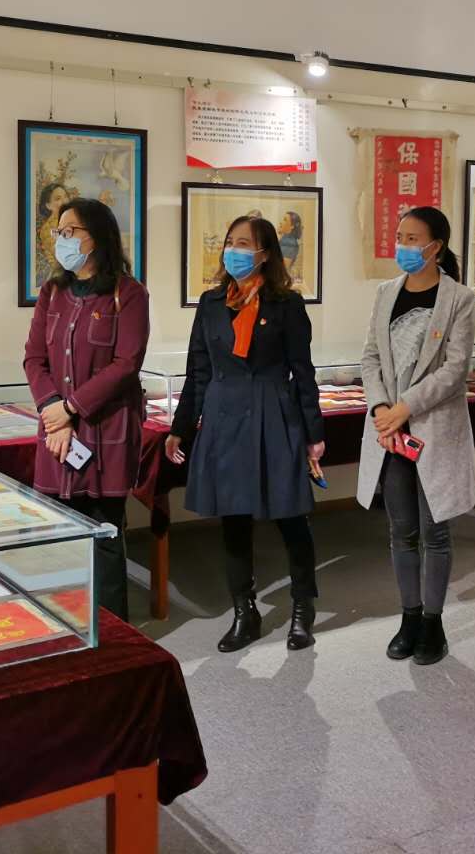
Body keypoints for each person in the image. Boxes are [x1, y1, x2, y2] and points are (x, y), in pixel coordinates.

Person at [166, 215, 326, 652]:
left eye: (244, 244)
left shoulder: (286, 304)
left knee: (291, 516)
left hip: (275, 413)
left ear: (265, 253)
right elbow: (198, 370)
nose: (233, 251)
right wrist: (181, 427)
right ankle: (244, 611)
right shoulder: (211, 302)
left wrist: (313, 432)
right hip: (224, 417)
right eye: (230, 242)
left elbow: (303, 372)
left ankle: (302, 607)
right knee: (233, 520)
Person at [355, 206, 475, 666]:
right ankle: (408, 617)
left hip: (432, 427)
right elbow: (370, 357)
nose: (403, 246)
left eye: (413, 238)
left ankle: (433, 622)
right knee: (401, 531)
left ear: (435, 246)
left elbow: (455, 368)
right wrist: (381, 408)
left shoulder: (459, 298)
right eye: (400, 236)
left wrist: (406, 407)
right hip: (390, 434)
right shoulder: (386, 292)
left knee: (435, 531)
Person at [24, 196, 150, 623]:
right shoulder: (53, 292)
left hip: (105, 432)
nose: (61, 238)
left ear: (96, 236)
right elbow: (34, 358)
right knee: (61, 534)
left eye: (69, 231)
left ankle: (113, 634)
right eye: (58, 231)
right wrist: (54, 411)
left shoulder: (128, 294)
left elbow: (126, 363)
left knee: (104, 535)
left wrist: (72, 408)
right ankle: (69, 625)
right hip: (57, 431)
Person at [36, 182, 70, 280]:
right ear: (48, 205)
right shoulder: (49, 228)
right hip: (61, 277)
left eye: (65, 197)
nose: (64, 201)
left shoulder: (70, 221)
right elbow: (63, 256)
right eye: (58, 199)